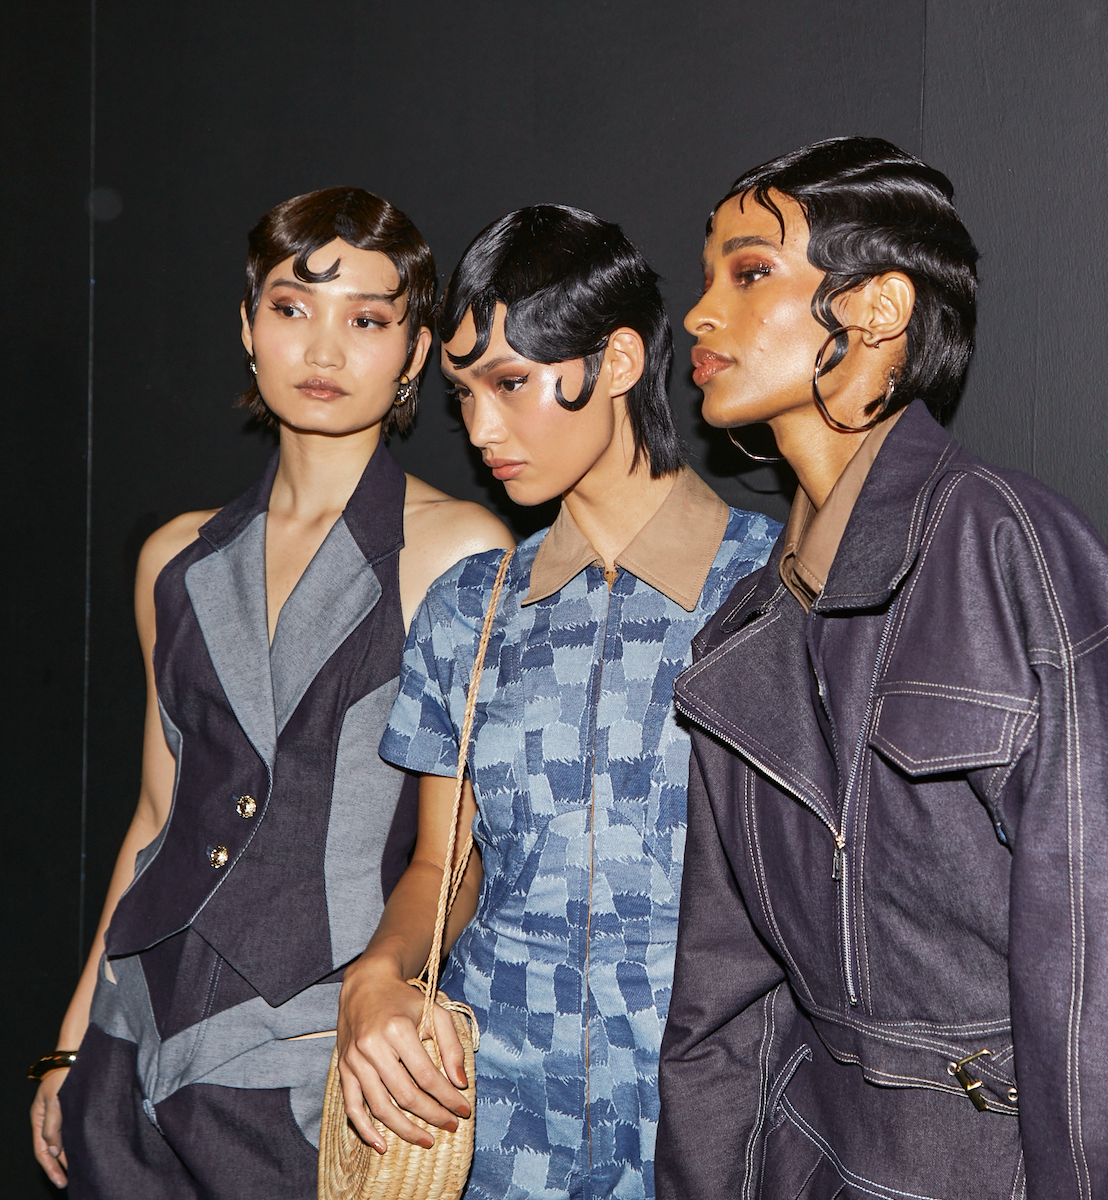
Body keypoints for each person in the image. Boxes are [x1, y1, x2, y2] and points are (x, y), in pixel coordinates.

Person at [653, 135, 1108, 1200]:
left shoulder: (1006, 551)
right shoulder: (742, 630)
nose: (701, 314)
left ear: (877, 308)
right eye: (707, 276)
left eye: (750, 272)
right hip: (809, 1163)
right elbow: (721, 1007)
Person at [29, 186, 512, 1197]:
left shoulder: (457, 551)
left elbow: (457, 852)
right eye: (293, 308)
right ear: (248, 328)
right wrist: (70, 1044)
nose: (324, 349)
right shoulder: (175, 557)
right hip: (132, 1031)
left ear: (415, 353)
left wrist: (384, 983)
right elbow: (156, 815)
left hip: (311, 1055)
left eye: (367, 320)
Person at [335, 204, 781, 1200]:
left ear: (617, 361)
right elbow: (442, 864)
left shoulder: (775, 593)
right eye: (463, 394)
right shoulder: (471, 608)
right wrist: (379, 974)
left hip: (715, 1126)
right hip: (493, 1130)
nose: (481, 429)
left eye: (510, 383)